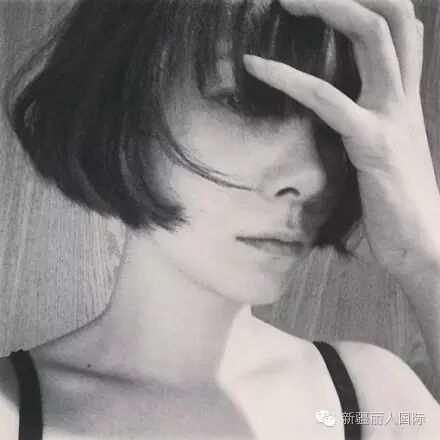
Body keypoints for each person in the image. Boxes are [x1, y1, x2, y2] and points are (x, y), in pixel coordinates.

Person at [1, 0, 440, 439]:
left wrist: (426, 259)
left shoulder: (371, 402)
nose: (314, 177)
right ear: (122, 105)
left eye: (332, 126)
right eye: (242, 102)